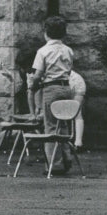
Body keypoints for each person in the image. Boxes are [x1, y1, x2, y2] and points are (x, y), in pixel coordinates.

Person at [29, 16, 75, 174]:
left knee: (50, 127)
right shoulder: (68, 50)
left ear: (46, 32)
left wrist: (34, 85)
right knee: (63, 124)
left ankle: (54, 164)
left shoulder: (43, 51)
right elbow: (68, 70)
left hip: (51, 88)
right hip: (66, 88)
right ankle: (67, 157)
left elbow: (38, 74)